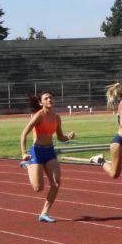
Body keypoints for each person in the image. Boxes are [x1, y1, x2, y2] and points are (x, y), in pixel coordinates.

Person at [19, 91, 76, 223]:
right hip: (37, 152)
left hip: (49, 151)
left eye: (51, 97)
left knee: (56, 183)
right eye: (46, 98)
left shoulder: (57, 118)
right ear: (41, 103)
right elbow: (23, 134)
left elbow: (60, 137)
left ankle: (44, 213)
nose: (50, 99)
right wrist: (23, 152)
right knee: (38, 188)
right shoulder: (38, 116)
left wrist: (68, 137)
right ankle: (27, 165)